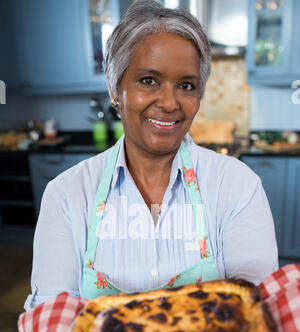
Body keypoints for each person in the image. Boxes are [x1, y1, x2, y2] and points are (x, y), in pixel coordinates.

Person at [24, 0, 278, 311]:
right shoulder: (66, 196)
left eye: (186, 85)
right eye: (149, 81)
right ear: (115, 86)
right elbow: (52, 321)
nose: (170, 102)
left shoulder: (238, 187)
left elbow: (258, 312)